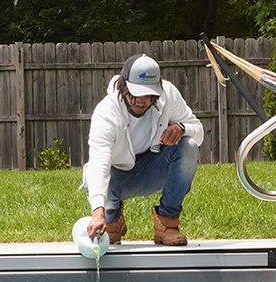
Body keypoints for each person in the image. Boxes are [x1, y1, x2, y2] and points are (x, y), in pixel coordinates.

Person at [83, 54, 205, 247]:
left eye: (149, 95)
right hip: (117, 177)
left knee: (188, 146)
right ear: (123, 85)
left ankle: (167, 223)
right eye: (136, 93)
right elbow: (99, 164)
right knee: (110, 237)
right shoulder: (106, 113)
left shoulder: (169, 95)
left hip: (153, 170)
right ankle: (112, 216)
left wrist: (182, 128)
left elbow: (198, 133)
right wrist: (98, 213)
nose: (143, 101)